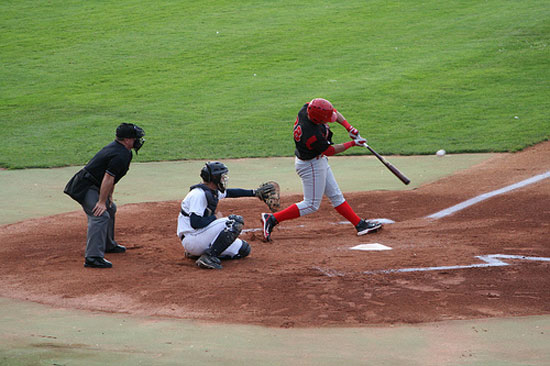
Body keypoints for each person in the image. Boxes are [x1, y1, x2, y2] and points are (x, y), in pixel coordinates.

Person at [261, 98, 382, 241]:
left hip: (317, 161)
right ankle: (272, 218)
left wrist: (349, 128)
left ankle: (360, 225)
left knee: (336, 195)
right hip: (310, 165)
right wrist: (353, 143)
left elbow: (333, 112)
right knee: (311, 204)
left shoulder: (307, 109)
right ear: (317, 120)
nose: (329, 120)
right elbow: (330, 150)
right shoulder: (311, 134)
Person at [64, 123, 145, 268]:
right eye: (135, 138)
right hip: (84, 186)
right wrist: (101, 201)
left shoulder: (124, 151)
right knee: (100, 215)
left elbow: (113, 178)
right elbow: (108, 177)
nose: (137, 141)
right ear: (127, 140)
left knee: (110, 208)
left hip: (95, 185)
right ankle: (93, 257)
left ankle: (108, 244)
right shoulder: (120, 154)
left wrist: (108, 198)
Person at [177, 161, 273, 270]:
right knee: (234, 222)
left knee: (244, 249)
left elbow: (231, 193)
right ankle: (209, 257)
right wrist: (215, 218)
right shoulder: (198, 195)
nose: (224, 179)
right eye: (222, 176)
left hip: (200, 238)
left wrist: (254, 192)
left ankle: (198, 254)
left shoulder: (211, 190)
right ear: (215, 177)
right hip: (192, 238)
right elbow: (195, 222)